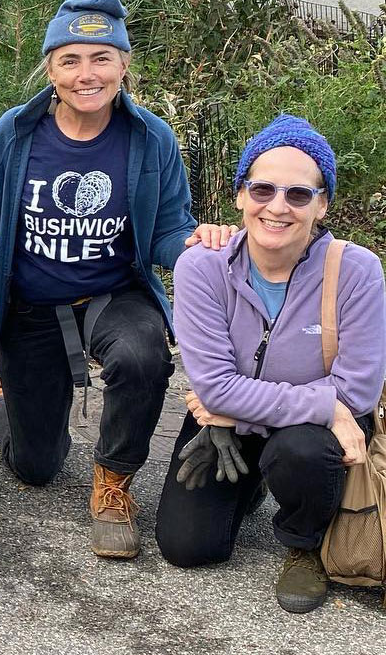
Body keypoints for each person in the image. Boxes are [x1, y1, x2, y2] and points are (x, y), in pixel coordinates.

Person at [0, 0, 227, 559]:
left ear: (124, 64)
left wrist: (198, 245)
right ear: (51, 70)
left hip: (113, 297)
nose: (86, 73)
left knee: (143, 354)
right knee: (36, 466)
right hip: (31, 307)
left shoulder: (150, 139)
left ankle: (113, 481)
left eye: (101, 57)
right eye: (70, 60)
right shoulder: (17, 133)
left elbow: (169, 227)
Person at [157, 115, 386, 613]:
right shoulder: (201, 266)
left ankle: (305, 543)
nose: (277, 207)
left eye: (299, 195)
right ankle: (260, 477)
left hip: (313, 436)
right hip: (226, 427)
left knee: (298, 451)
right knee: (188, 547)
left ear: (322, 204)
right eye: (262, 189)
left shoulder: (358, 271)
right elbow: (213, 388)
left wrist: (237, 406)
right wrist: (312, 403)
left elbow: (357, 394)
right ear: (240, 194)